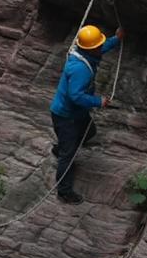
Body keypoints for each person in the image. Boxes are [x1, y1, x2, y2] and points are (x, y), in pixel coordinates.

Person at [49, 24, 123, 205]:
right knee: (68, 155)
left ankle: (60, 148)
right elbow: (75, 96)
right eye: (98, 45)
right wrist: (99, 102)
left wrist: (116, 39)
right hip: (67, 116)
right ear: (91, 48)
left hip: (74, 114)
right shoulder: (80, 69)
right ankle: (64, 192)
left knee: (89, 132)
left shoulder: (84, 54)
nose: (100, 47)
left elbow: (100, 48)